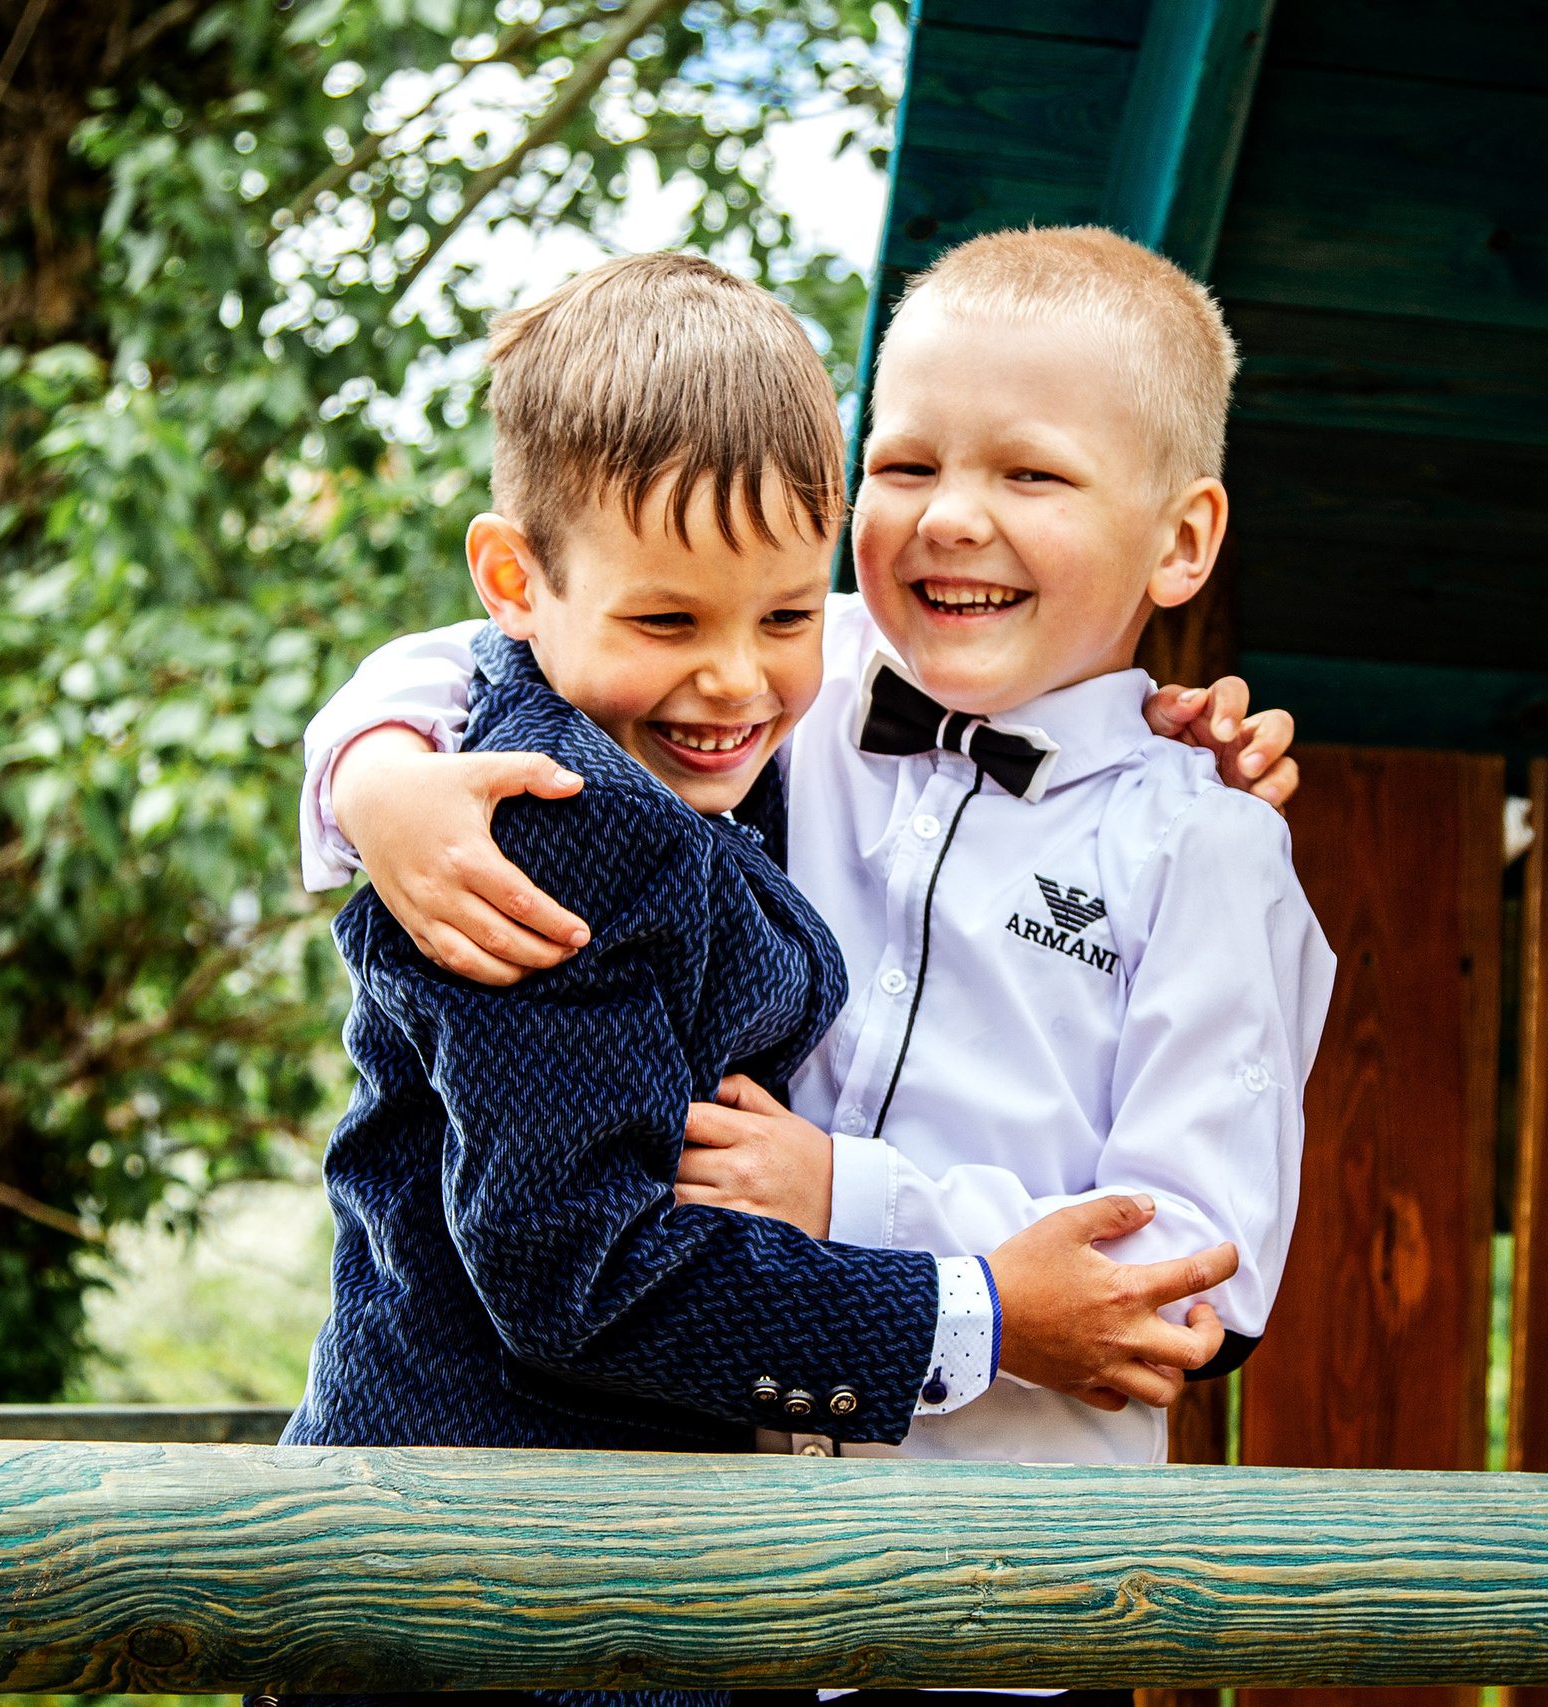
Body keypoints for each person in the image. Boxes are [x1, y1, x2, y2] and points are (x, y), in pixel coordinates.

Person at [302, 227, 1333, 1473]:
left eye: (1032, 474)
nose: (952, 515)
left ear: (1180, 542)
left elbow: (1195, 1271)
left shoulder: (1206, 845)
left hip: (1001, 1559)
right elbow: (519, 640)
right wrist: (376, 776)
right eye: (905, 465)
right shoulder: (781, 677)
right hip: (719, 1532)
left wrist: (852, 1198)